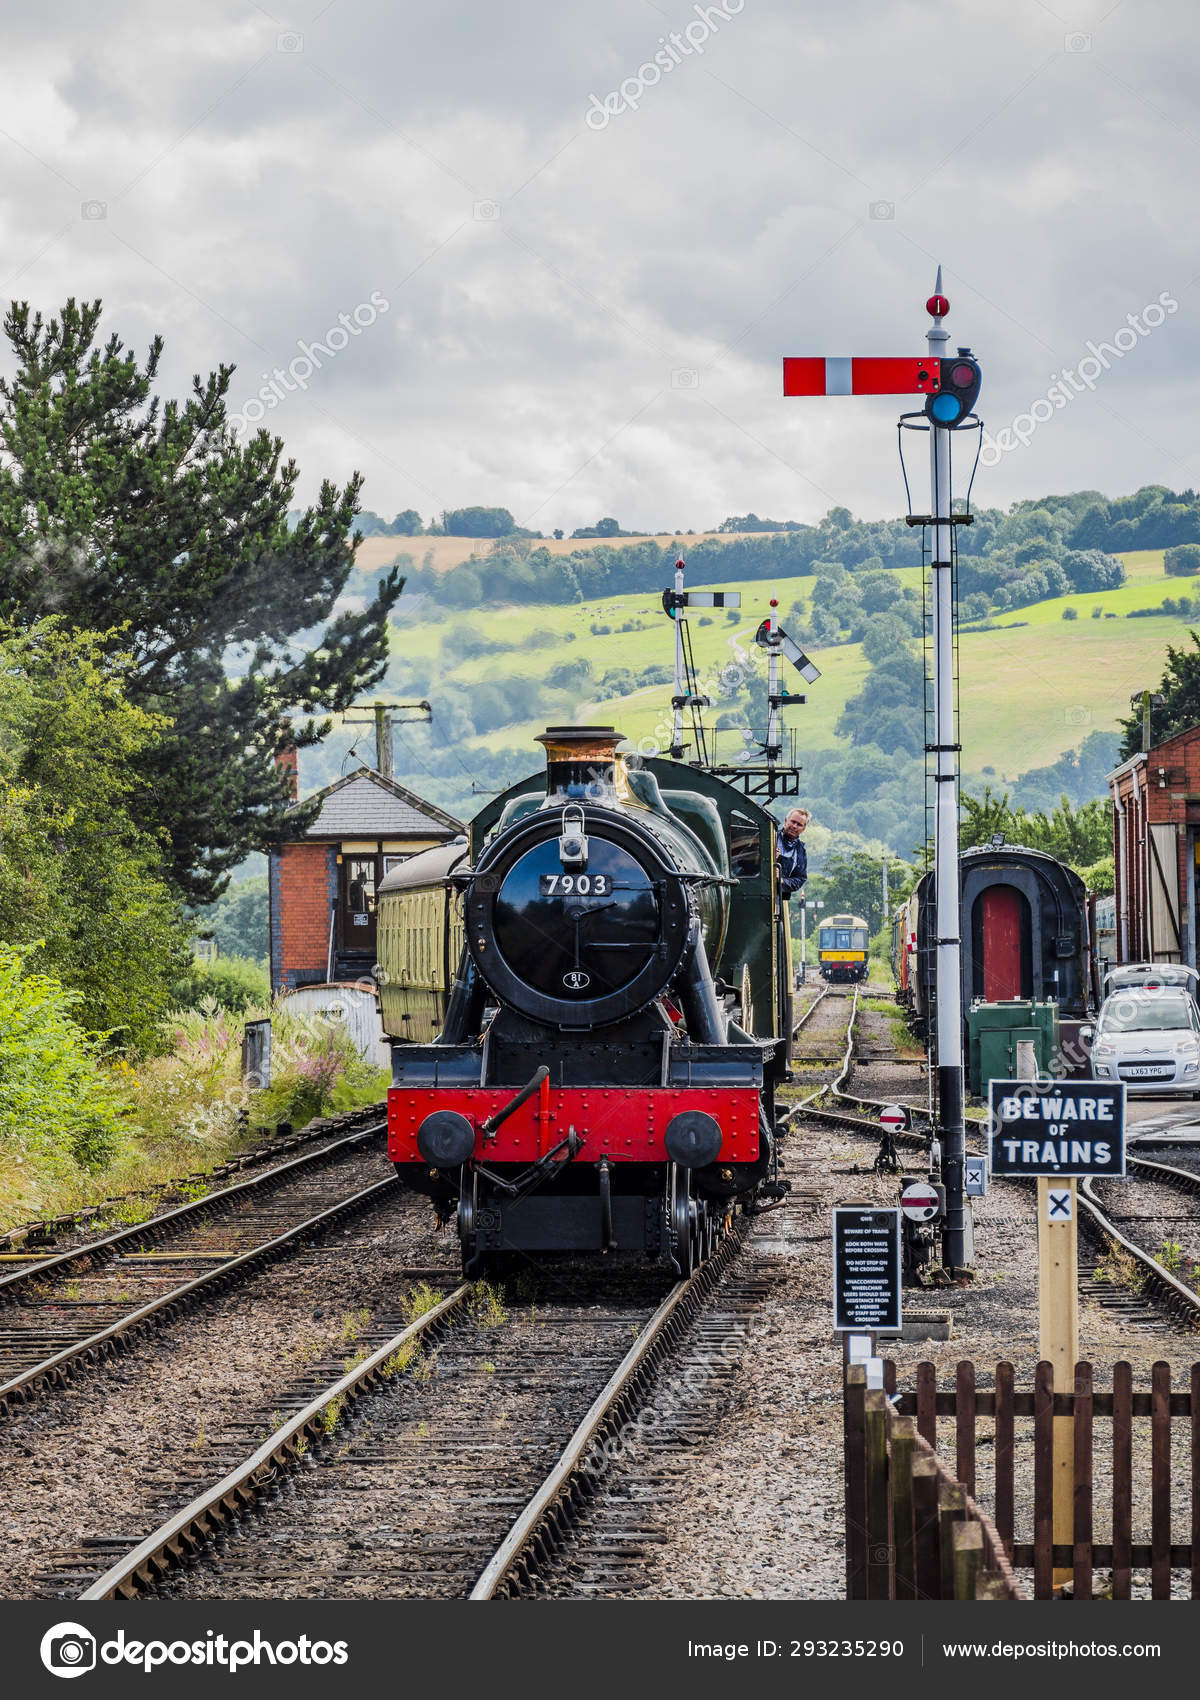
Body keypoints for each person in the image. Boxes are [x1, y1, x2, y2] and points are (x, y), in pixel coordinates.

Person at [776, 807, 809, 900]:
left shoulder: (801, 851)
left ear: (803, 828)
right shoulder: (770, 837)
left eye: (799, 824)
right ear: (786, 821)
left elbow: (800, 879)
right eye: (793, 821)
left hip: (779, 899)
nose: (794, 826)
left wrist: (782, 880)